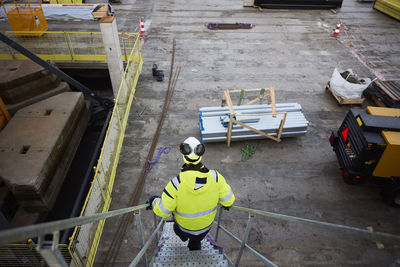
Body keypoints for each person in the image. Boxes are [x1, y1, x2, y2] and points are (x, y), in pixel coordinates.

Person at [147, 136, 235, 250]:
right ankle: (195, 243)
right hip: (205, 228)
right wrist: (227, 205)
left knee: (177, 228)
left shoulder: (175, 184)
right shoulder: (216, 178)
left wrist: (154, 201)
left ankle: (183, 237)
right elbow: (229, 201)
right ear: (200, 155)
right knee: (197, 236)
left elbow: (163, 212)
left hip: (184, 228)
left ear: (184, 156)